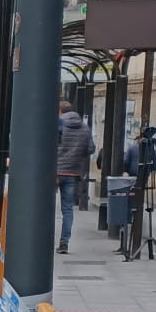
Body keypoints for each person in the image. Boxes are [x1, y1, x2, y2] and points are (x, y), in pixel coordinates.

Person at [56, 99, 94, 254]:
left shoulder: (58, 124)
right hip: (73, 172)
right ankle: (64, 242)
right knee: (67, 209)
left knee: (44, 208)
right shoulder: (84, 128)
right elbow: (91, 149)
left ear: (60, 111)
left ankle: (41, 240)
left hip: (55, 171)